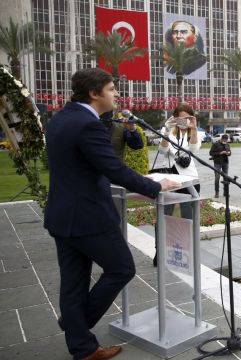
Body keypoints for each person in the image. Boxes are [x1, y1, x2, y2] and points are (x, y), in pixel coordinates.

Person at [43, 68, 178, 360]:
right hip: (88, 217)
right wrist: (155, 185)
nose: (117, 94)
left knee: (73, 284)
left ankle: (82, 347)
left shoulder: (60, 119)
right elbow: (114, 169)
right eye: (112, 88)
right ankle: (74, 326)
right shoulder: (87, 125)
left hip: (61, 215)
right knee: (122, 269)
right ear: (95, 93)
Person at [154, 103, 201, 266]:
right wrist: (166, 129)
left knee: (188, 218)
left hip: (190, 180)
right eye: (180, 117)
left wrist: (193, 128)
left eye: (187, 117)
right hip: (170, 179)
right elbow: (162, 151)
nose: (183, 121)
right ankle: (159, 252)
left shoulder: (194, 132)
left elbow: (194, 151)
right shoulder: (168, 131)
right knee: (163, 215)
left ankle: (188, 251)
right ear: (174, 117)